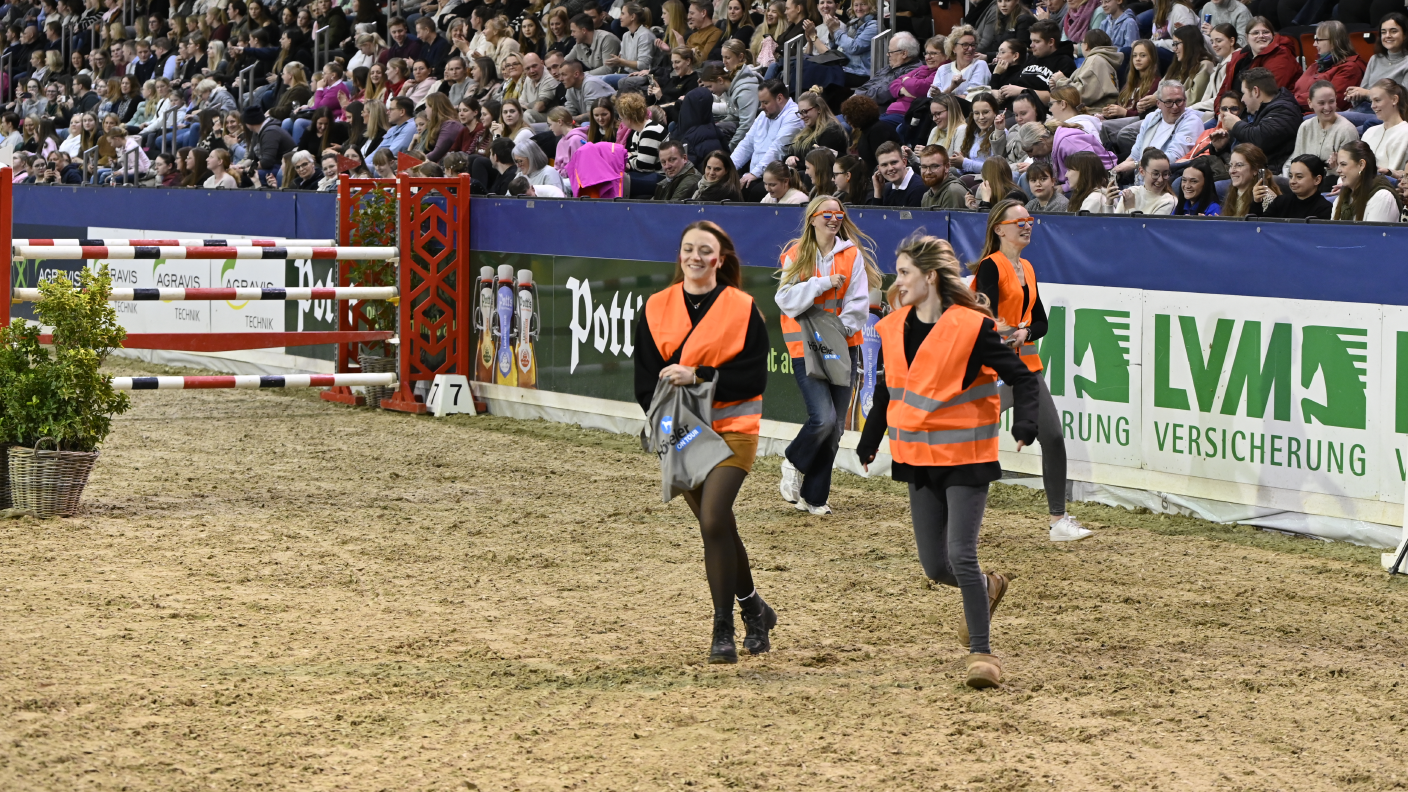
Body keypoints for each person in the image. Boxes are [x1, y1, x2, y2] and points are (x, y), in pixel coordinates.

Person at [854, 230, 1039, 689]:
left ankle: (983, 654)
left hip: (966, 457)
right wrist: (869, 438)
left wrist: (1026, 423)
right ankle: (990, 586)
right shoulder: (892, 326)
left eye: (903, 274)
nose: (896, 284)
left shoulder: (971, 326)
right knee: (936, 568)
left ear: (930, 278)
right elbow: (887, 392)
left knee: (960, 554)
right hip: (917, 458)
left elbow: (1023, 377)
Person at [633, 220, 774, 665]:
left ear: (720, 259)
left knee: (714, 518)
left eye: (704, 250)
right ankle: (755, 608)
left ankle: (722, 628)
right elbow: (643, 384)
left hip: (734, 429)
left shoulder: (743, 306)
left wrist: (700, 376)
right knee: (721, 527)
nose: (695, 257)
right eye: (688, 248)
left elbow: (754, 377)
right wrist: (671, 426)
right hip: (684, 434)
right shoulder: (655, 307)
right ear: (680, 256)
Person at [968, 201, 1091, 541]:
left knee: (1051, 435)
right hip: (991, 368)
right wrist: (1006, 334)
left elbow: (1041, 321)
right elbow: (984, 315)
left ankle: (1057, 520)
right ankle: (949, 509)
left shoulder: (1028, 268)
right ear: (1000, 229)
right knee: (970, 437)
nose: (1026, 225)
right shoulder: (991, 267)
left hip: (1025, 366)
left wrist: (1024, 333)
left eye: (1029, 220)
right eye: (1018, 221)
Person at [776, 196, 881, 514]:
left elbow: (859, 302)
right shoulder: (795, 255)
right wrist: (821, 283)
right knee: (823, 418)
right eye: (828, 214)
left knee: (835, 427)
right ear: (812, 219)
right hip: (803, 348)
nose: (835, 219)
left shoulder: (851, 255)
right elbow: (786, 299)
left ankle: (815, 497)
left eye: (839, 214)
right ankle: (793, 461)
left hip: (843, 347)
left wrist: (840, 332)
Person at [1212, 67, 1300, 173]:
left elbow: (1260, 140)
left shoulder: (1284, 110)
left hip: (1267, 176)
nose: (1242, 99)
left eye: (1244, 93)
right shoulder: (1257, 111)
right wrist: (1221, 147)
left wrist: (1236, 125)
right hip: (1245, 171)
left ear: (1255, 91)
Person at [1114, 79, 1203, 180]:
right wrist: (1120, 170)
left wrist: (1134, 165)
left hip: (1165, 181)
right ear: (1158, 103)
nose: (1175, 107)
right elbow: (1136, 153)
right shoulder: (1151, 118)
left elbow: (1174, 157)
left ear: (1185, 101)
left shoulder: (1192, 121)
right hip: (1140, 180)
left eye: (1179, 101)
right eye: (1169, 102)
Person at [732, 79, 802, 201]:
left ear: (779, 98)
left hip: (774, 177)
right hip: (756, 174)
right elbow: (746, 143)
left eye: (765, 102)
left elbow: (777, 149)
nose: (761, 107)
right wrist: (728, 168)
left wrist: (754, 174)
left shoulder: (794, 115)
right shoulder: (764, 115)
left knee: (750, 191)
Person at [1344, 15, 1408, 125]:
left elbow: (1403, 100)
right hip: (1362, 109)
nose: (1387, 36)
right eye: (1383, 32)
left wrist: (1366, 93)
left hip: (1386, 114)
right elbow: (1362, 93)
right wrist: (1354, 95)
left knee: (1322, 119)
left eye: (1393, 31)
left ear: (1405, 35)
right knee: (1316, 120)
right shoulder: (1375, 59)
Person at [1286, 80, 1359, 176]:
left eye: (1331, 102)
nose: (1327, 107)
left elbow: (1351, 173)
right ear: (1310, 103)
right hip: (1303, 182)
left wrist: (1334, 168)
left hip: (1332, 186)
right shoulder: (1305, 127)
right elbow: (1295, 159)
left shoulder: (1347, 130)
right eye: (1321, 103)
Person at [1215, 16, 1296, 100]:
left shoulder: (1282, 55)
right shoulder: (1238, 57)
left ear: (1273, 35)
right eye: (1255, 33)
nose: (1261, 36)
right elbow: (1223, 91)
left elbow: (1266, 96)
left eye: (1265, 32)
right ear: (1247, 37)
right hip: (1233, 108)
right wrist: (1220, 110)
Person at [1293, 21, 1364, 113]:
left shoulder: (1350, 68)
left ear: (1334, 42)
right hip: (1297, 110)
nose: (1314, 44)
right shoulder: (1316, 65)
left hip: (1324, 116)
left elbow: (1331, 100)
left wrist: (1291, 101)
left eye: (1318, 40)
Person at [1049, 29, 1121, 111]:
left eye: (1081, 43)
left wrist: (1061, 80)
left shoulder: (1095, 61)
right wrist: (1058, 87)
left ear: (1086, 45)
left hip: (1094, 114)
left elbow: (1083, 94)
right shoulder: (1101, 60)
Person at [1333, 139, 1402, 222]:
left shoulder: (1382, 198)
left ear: (1361, 165)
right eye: (1338, 165)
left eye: (1343, 164)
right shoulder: (1340, 199)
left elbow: (1374, 234)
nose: (1338, 170)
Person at [618, 91, 667, 195]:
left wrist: (629, 159)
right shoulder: (638, 131)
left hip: (661, 177)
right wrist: (631, 158)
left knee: (617, 180)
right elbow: (634, 157)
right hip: (650, 174)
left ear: (629, 118)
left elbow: (644, 166)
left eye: (621, 118)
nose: (621, 121)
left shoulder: (651, 131)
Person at [1260, 154, 1332, 218]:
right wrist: (1257, 203)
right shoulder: (1281, 202)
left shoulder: (1324, 209)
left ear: (1317, 180)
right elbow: (1261, 227)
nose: (1292, 181)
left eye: (1299, 177)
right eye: (1290, 176)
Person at [1362, 79, 1408, 177]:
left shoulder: (1405, 132)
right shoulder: (1370, 131)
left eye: (1377, 100)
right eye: (1371, 101)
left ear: (1394, 100)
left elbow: (1398, 173)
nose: (1372, 106)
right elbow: (1358, 166)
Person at [930, 25, 990, 98]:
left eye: (973, 45)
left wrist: (942, 95)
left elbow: (972, 96)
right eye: (965, 45)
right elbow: (931, 98)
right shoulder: (943, 69)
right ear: (953, 48)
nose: (970, 48)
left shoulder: (980, 65)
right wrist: (951, 88)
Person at [1191, 23, 1238, 113]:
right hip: (1208, 109)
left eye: (1219, 41)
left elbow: (1220, 98)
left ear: (1232, 41)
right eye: (1212, 42)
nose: (1214, 45)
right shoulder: (1222, 64)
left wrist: (1191, 108)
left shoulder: (1233, 63)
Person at [1113, 148, 1177, 213]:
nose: (1160, 180)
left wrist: (1130, 208)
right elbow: (1113, 222)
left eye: (1165, 174)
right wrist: (1108, 205)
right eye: (1155, 174)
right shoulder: (1131, 191)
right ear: (1142, 171)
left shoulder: (1168, 201)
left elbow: (1148, 223)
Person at [954, 92, 1004, 174]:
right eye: (977, 113)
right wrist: (959, 164)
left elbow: (994, 168)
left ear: (995, 112)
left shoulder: (1000, 134)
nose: (981, 117)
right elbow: (964, 169)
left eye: (985, 112)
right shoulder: (972, 133)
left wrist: (964, 163)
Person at [869, 140, 926, 206]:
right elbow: (876, 215)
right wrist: (878, 191)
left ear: (904, 162)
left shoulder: (918, 188)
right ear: (879, 169)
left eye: (894, 162)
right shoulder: (887, 188)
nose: (890, 168)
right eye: (884, 165)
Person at [1222, 142, 1271, 217]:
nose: (1232, 171)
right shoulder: (1233, 193)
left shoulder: (1265, 197)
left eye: (1239, 165)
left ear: (1255, 169)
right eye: (1231, 165)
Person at [919, 144, 969, 209]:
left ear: (947, 167)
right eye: (924, 167)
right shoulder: (926, 196)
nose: (928, 172)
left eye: (934, 166)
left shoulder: (953, 192)